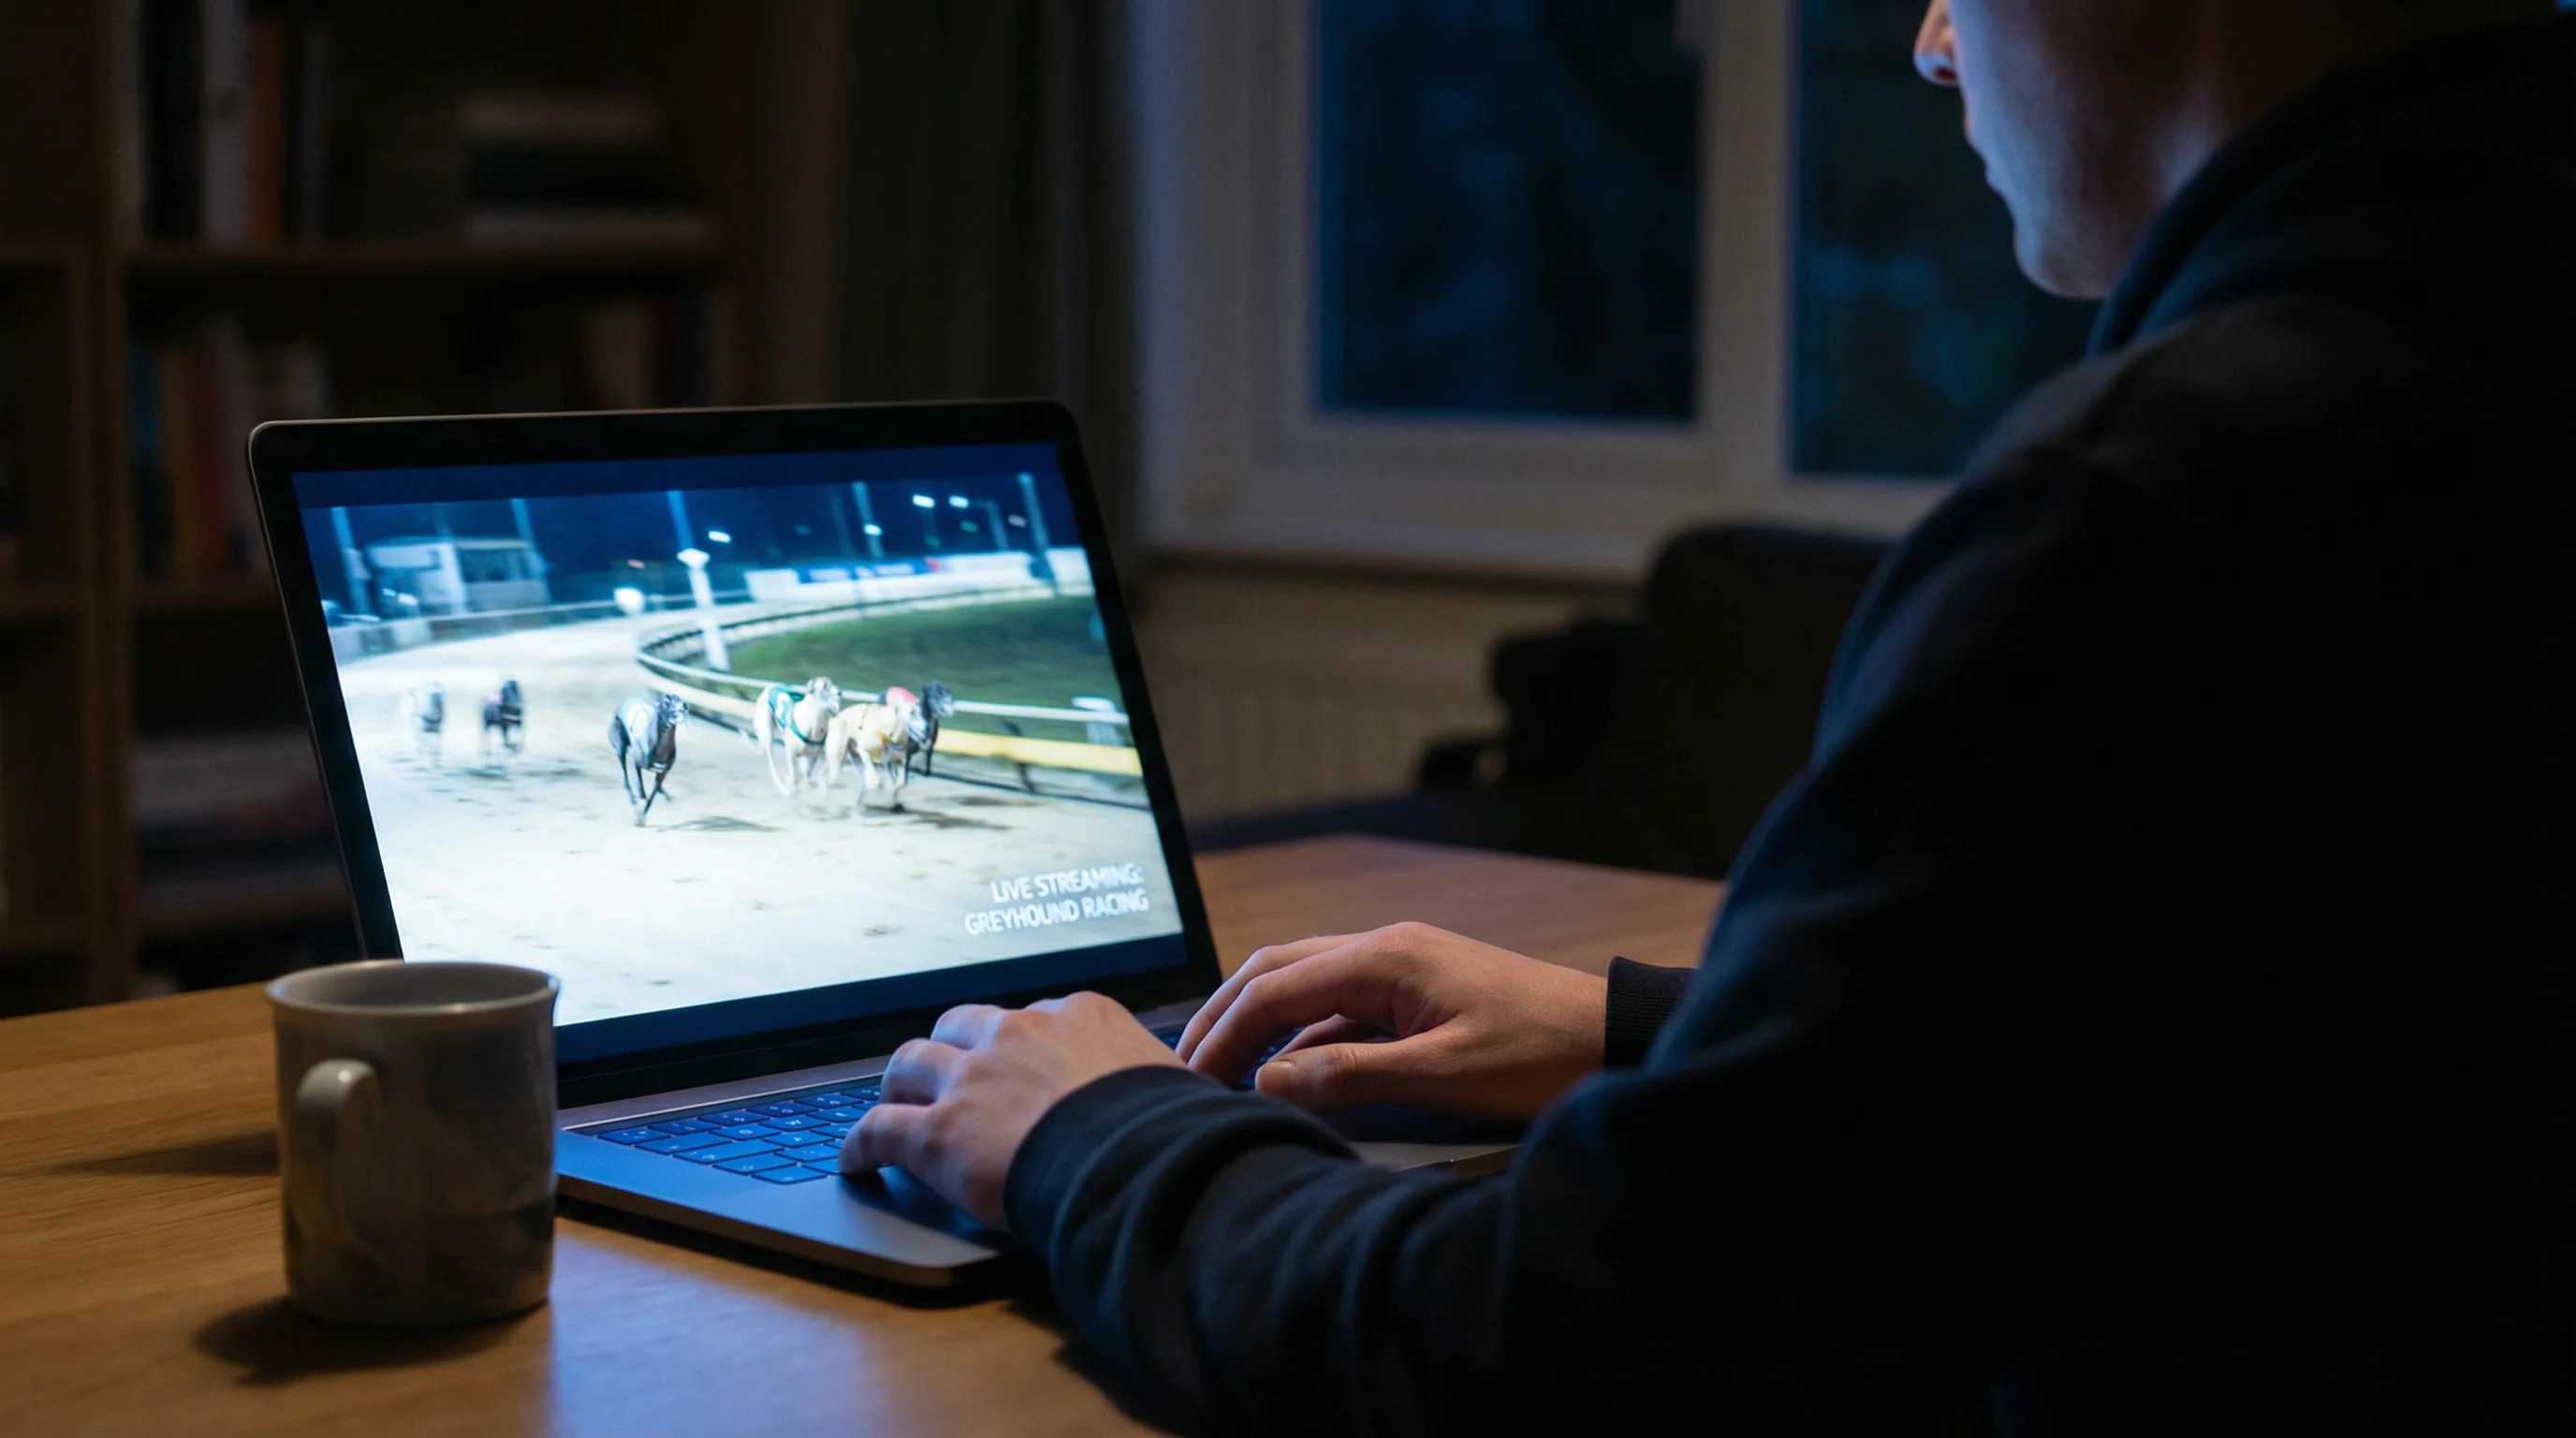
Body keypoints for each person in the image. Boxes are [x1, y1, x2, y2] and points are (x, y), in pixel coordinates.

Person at [843, 1, 2574, 1430]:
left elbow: (1563, 1353)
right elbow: (2271, 1042)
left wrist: (1098, 1132)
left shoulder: (2157, 505)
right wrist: (1660, 1031)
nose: (1929, 45)